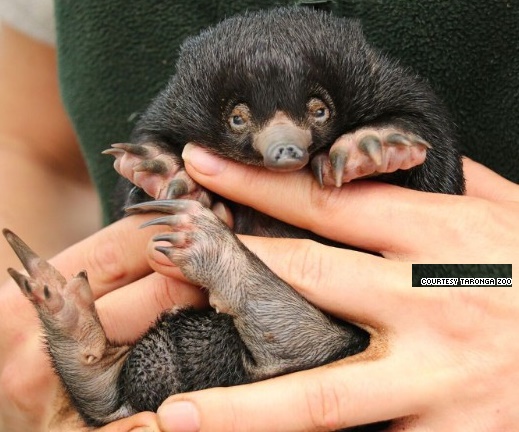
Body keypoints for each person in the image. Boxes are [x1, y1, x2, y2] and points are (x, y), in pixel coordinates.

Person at [0, 1, 518, 431]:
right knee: (124, 387)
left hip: (409, 313)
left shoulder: (378, 92)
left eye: (315, 112)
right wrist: (24, 366)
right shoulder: (184, 107)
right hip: (167, 360)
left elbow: (467, 271)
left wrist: (491, 277)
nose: (284, 152)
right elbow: (29, 145)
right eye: (243, 120)